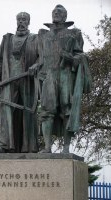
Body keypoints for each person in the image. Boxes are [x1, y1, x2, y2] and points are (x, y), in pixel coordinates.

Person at [38, 5, 92, 153]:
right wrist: (36, 67)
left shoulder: (73, 34)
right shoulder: (43, 35)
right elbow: (40, 58)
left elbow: (81, 56)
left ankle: (66, 148)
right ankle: (47, 147)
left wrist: (71, 57)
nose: (56, 13)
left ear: (65, 17)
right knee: (46, 111)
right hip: (48, 76)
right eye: (54, 12)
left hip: (65, 74)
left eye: (59, 12)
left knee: (66, 109)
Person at [0, 12, 39, 153]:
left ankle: (29, 147)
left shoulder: (35, 39)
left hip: (27, 81)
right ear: (16, 21)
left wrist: (36, 65)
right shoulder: (7, 39)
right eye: (19, 19)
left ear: (29, 22)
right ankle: (1, 145)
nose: (21, 22)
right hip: (8, 81)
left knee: (28, 112)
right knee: (6, 110)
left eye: (24, 20)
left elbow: (43, 58)